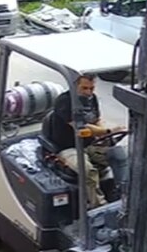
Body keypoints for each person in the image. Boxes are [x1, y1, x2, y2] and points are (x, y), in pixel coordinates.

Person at [43, 73, 128, 207]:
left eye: (91, 88)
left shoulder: (91, 98)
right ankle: (100, 208)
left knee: (120, 157)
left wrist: (103, 135)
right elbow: (80, 126)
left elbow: (96, 120)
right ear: (75, 86)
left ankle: (126, 197)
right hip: (68, 147)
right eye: (84, 88)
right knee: (88, 171)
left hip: (88, 144)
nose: (88, 92)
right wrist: (108, 131)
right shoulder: (64, 101)